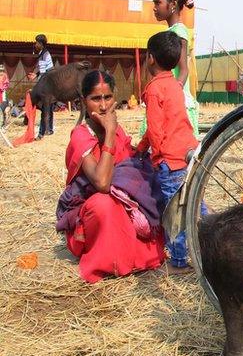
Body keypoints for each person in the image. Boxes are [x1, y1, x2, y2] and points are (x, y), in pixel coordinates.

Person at [55, 70, 165, 283]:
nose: (103, 106)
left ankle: (133, 255)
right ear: (83, 101)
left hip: (122, 202)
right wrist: (110, 134)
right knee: (103, 204)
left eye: (108, 97)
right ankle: (107, 261)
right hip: (89, 213)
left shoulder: (117, 130)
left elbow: (129, 167)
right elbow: (102, 183)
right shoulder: (81, 134)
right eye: (96, 99)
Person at [137, 31, 199, 273]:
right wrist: (141, 146)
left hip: (170, 162)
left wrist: (154, 156)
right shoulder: (174, 84)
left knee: (173, 213)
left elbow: (155, 129)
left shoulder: (153, 89)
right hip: (189, 154)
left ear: (150, 58)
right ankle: (206, 245)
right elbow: (169, 121)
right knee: (195, 206)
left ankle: (179, 262)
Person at [150, 0, 199, 136]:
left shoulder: (179, 32)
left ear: (173, 4)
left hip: (175, 100)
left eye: (158, 2)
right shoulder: (172, 31)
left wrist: (172, 95)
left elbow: (184, 69)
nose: (154, 7)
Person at [32, 34, 56, 138]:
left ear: (41, 44)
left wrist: (42, 81)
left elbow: (50, 70)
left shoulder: (46, 54)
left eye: (37, 42)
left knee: (45, 107)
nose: (35, 44)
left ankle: (42, 132)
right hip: (43, 82)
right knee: (47, 108)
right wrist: (36, 75)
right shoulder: (41, 54)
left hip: (46, 85)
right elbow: (42, 70)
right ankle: (49, 129)